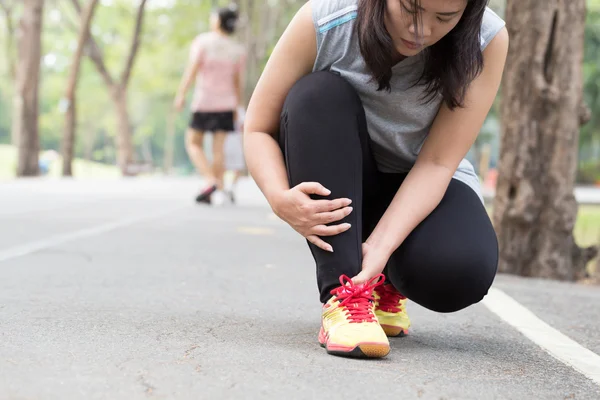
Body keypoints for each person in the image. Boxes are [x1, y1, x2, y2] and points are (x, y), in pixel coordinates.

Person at [243, 0, 508, 359]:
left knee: (460, 271)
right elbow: (258, 128)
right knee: (316, 95)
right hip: (341, 171)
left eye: (444, 18)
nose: (421, 30)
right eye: (410, 9)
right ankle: (345, 294)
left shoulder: (486, 39)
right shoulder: (326, 21)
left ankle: (382, 282)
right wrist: (278, 196)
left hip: (421, 180)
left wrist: (382, 247)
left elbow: (437, 163)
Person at [174, 5, 246, 204]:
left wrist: (180, 94)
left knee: (193, 142)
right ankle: (217, 189)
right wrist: (237, 107)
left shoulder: (203, 42)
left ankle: (210, 180)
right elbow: (237, 83)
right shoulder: (237, 50)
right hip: (227, 105)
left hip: (205, 102)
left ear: (217, 21)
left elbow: (192, 71)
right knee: (218, 150)